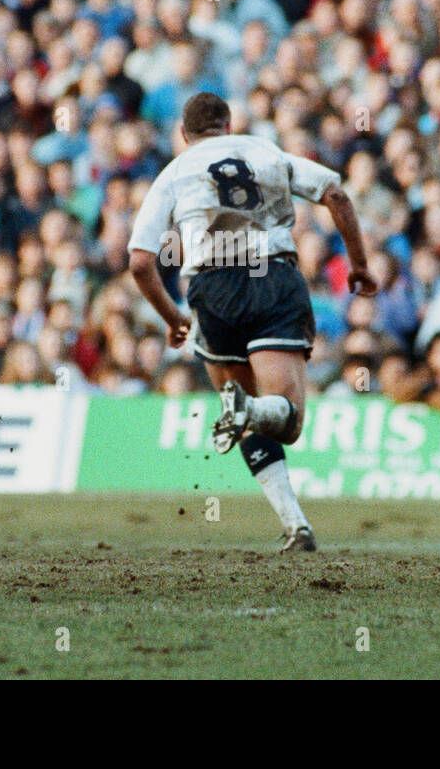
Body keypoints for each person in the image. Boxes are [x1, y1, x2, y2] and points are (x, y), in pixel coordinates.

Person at [128, 92, 377, 551]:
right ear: (228, 125)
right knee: (289, 419)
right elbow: (336, 195)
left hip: (212, 288)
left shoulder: (173, 173)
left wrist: (172, 317)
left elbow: (141, 263)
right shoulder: (264, 151)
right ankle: (256, 415)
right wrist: (358, 265)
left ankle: (295, 524)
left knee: (242, 414)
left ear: (184, 134)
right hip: (272, 276)